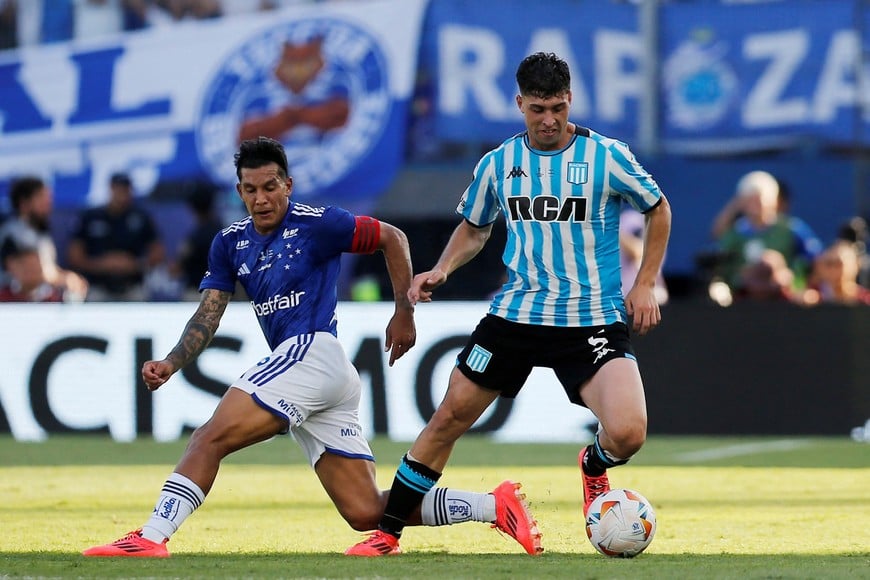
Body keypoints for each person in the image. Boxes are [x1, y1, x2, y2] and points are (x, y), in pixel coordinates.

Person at [82, 137, 538, 558]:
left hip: (312, 352)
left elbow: (391, 237)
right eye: (250, 189)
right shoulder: (229, 243)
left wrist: (404, 312)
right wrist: (172, 362)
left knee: (209, 436)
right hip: (319, 373)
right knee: (364, 510)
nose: (261, 198)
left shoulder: (318, 224)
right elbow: (209, 313)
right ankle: (493, 506)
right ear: (239, 191)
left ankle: (150, 537)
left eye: (270, 186)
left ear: (288, 185)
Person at [346, 52, 671, 557]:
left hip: (591, 319)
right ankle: (387, 532)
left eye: (558, 108)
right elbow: (475, 228)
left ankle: (593, 465)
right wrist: (442, 268)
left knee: (628, 433)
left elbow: (658, 208)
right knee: (449, 416)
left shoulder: (607, 157)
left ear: (571, 101)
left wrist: (646, 282)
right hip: (516, 316)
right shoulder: (498, 163)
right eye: (538, 108)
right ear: (519, 103)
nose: (549, 120)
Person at [710, 170, 822, 297]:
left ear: (774, 199)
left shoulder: (791, 229)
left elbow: (813, 260)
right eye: (750, 200)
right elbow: (724, 270)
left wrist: (795, 282)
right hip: (743, 299)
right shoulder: (734, 234)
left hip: (784, 296)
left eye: (760, 199)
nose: (756, 205)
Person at [66, 172, 165, 301]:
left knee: (141, 303)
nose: (122, 193)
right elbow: (74, 256)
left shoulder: (141, 217)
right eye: (119, 188)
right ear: (111, 188)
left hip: (132, 286)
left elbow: (158, 252)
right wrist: (102, 264)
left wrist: (135, 264)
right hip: (98, 286)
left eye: (126, 189)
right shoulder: (91, 217)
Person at [0, 175, 88, 301]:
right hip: (12, 304)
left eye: (49, 198)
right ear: (24, 203)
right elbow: (29, 273)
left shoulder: (41, 233)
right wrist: (65, 279)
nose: (48, 203)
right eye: (42, 197)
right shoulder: (12, 234)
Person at [0, 232, 66, 302]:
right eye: (22, 263)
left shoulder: (60, 298)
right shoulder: (3, 297)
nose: (29, 268)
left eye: (34, 264)